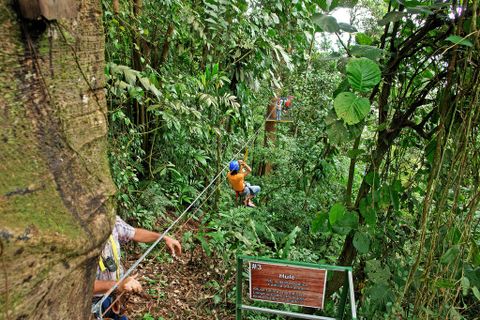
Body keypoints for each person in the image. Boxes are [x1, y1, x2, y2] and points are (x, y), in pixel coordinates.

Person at [92, 215, 182, 320]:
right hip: (89, 305)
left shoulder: (110, 220)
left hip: (113, 297)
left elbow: (134, 233)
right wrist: (118, 285)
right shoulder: (74, 239)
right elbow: (80, 287)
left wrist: (162, 237)